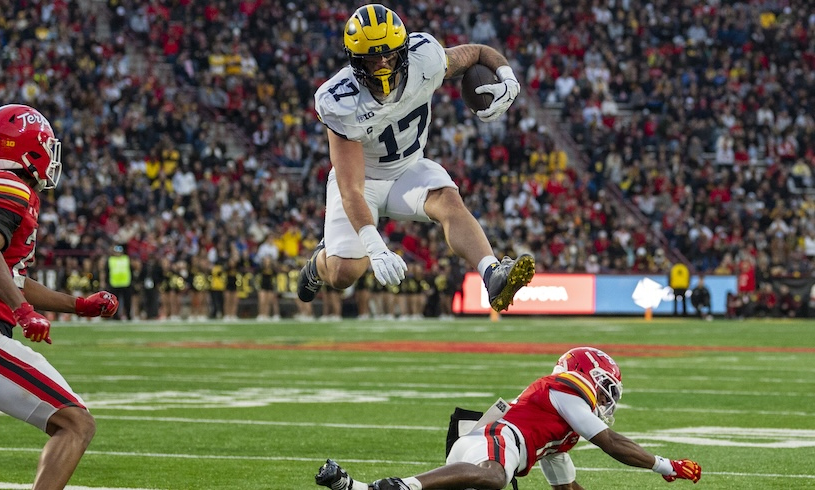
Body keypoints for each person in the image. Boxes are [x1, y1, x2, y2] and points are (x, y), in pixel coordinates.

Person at [0, 104, 120, 490]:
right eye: (46, 145)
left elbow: (9, 276)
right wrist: (23, 311)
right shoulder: (8, 184)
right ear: (28, 149)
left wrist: (77, 305)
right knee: (76, 423)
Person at [296, 4, 535, 313]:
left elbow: (477, 53)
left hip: (409, 168)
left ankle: (492, 274)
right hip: (362, 181)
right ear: (355, 60)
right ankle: (317, 266)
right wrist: (376, 249)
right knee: (344, 273)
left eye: (389, 54)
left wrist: (508, 78)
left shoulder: (426, 58)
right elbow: (351, 189)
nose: (382, 63)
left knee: (449, 200)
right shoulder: (341, 100)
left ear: (404, 49)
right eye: (372, 57)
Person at [316, 347, 702, 490]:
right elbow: (612, 444)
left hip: (489, 450)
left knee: (497, 476)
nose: (604, 398)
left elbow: (566, 489)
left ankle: (356, 487)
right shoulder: (562, 391)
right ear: (583, 376)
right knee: (497, 477)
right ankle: (397, 487)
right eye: (602, 387)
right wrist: (664, 466)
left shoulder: (559, 434)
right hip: (494, 443)